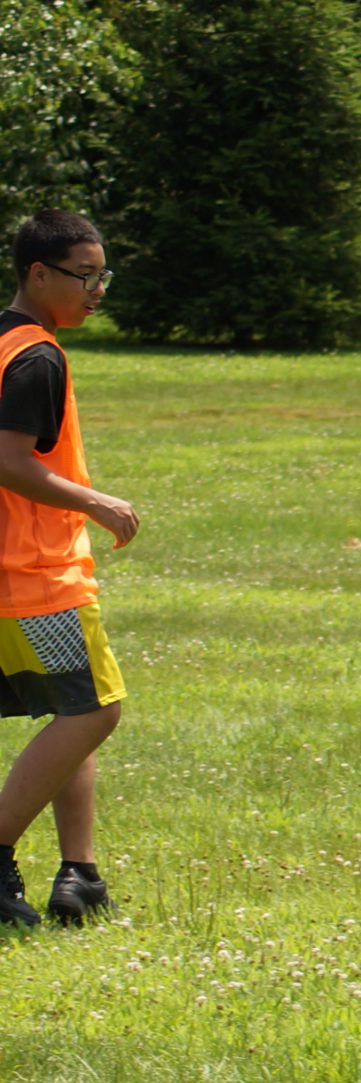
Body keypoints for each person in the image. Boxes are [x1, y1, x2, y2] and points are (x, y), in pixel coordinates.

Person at [0, 209, 141, 927]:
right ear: (38, 274)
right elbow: (10, 462)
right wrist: (97, 502)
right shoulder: (37, 357)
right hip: (35, 578)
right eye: (84, 276)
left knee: (70, 711)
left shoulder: (4, 342)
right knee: (94, 709)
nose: (97, 290)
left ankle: (79, 874)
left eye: (102, 275)